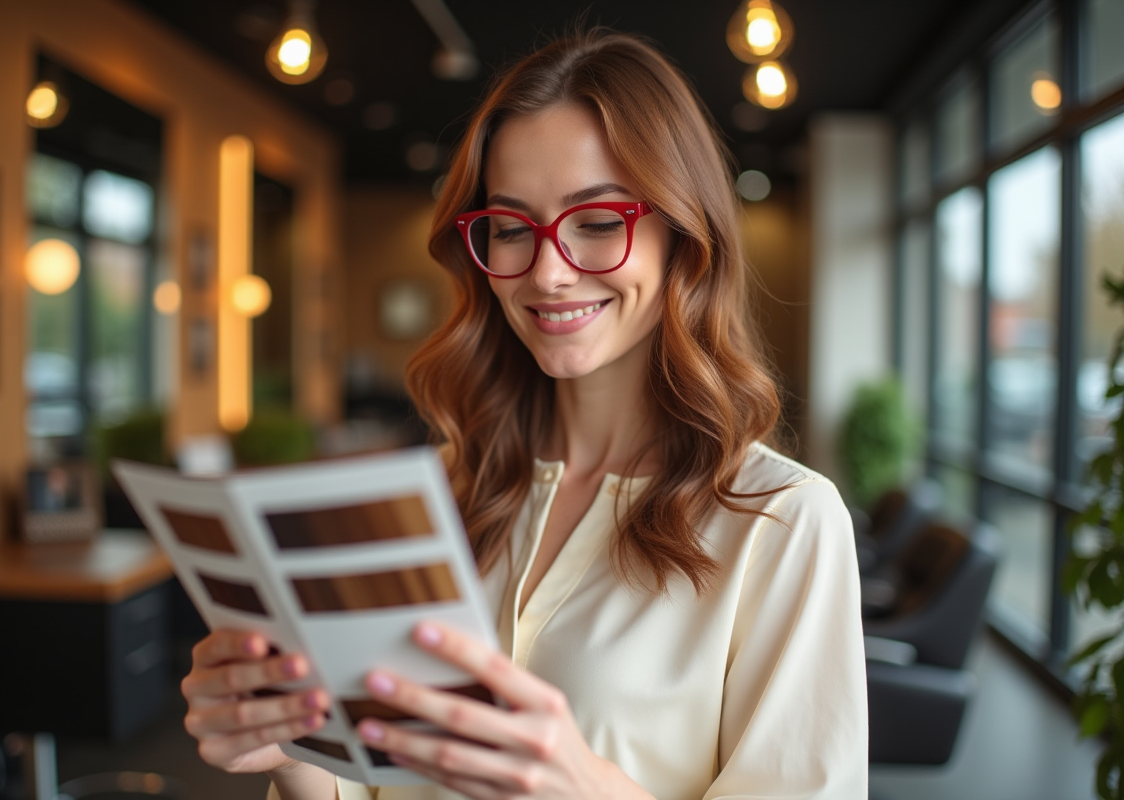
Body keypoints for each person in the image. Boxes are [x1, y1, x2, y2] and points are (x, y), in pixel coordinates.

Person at [180, 29, 867, 800]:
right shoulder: (438, 494)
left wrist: (586, 788)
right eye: (510, 228)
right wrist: (293, 744)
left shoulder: (782, 522)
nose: (547, 271)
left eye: (599, 222)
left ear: (684, 233)